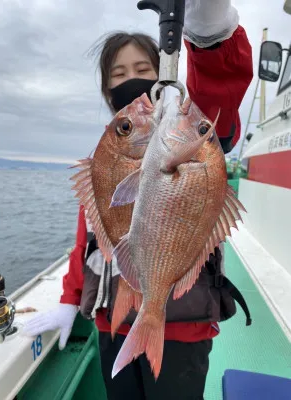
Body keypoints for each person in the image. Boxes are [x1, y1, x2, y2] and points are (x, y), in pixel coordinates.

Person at [23, 1, 253, 399]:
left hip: (182, 327)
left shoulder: (192, 134)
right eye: (119, 74)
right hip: (112, 322)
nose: (132, 80)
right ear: (106, 90)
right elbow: (91, 242)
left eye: (144, 70)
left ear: (167, 77)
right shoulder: (106, 159)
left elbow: (218, 100)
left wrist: (209, 27)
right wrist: (69, 299)